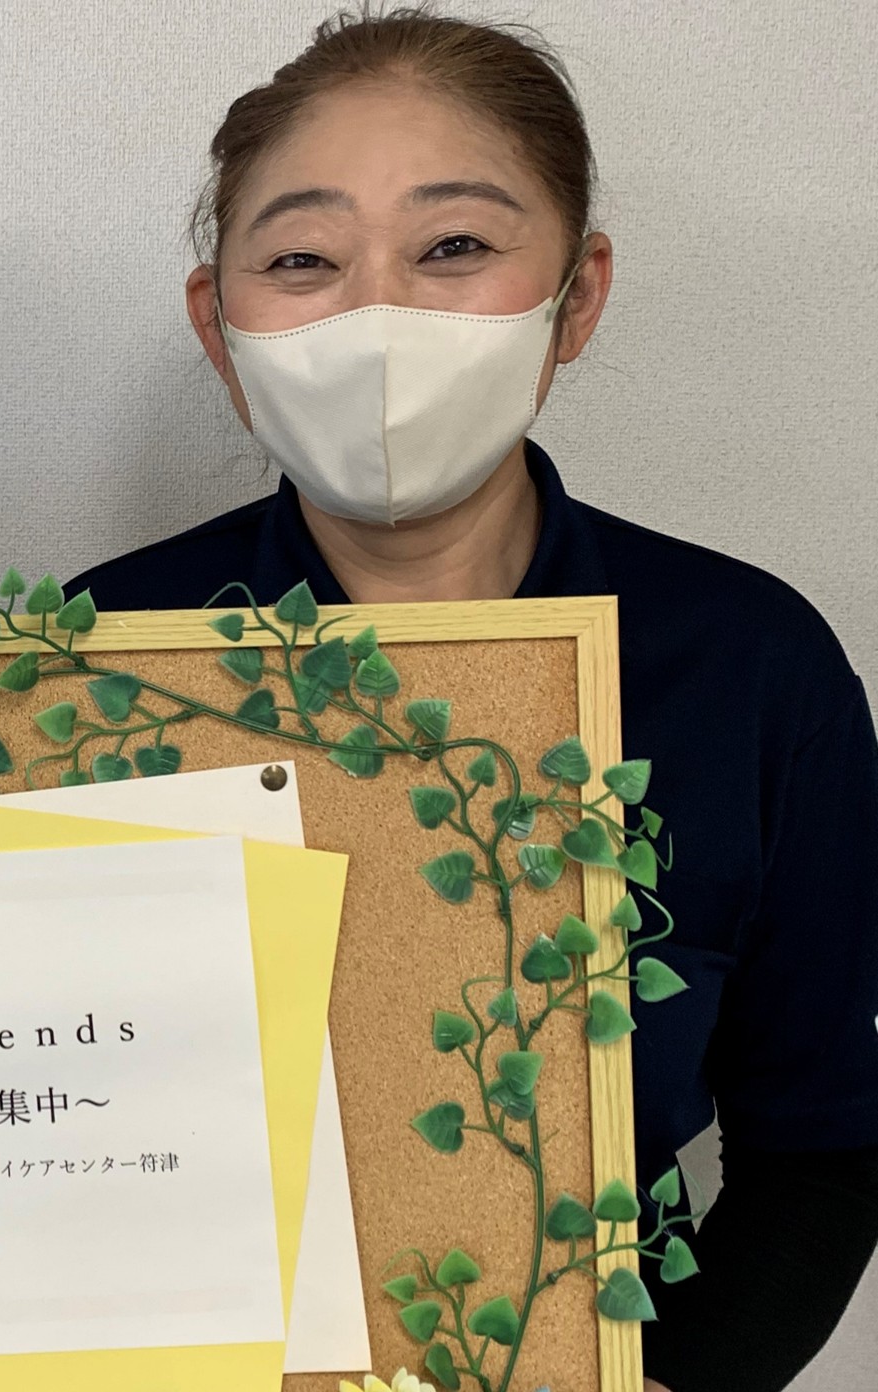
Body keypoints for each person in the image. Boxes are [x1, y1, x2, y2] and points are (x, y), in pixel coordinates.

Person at [68, 9, 878, 1390]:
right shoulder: (92, 661)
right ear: (218, 322)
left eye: (453, 247)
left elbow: (824, 1142)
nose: (377, 314)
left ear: (578, 293)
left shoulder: (746, 666)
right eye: (303, 260)